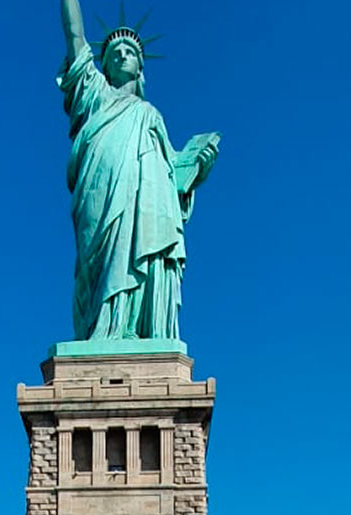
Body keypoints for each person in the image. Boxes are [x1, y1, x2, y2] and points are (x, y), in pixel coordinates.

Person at [59, 0, 219, 342]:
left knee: (144, 247)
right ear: (103, 65)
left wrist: (196, 168)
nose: (120, 55)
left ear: (139, 66)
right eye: (113, 52)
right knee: (99, 262)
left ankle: (133, 328)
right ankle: (102, 329)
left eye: (129, 52)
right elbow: (74, 36)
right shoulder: (95, 95)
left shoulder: (151, 115)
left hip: (146, 202)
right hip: (100, 193)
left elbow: (172, 176)